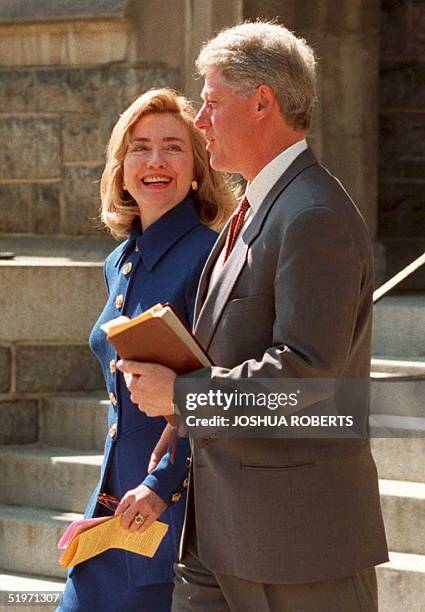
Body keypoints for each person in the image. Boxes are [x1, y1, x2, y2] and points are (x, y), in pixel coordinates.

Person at [117, 23, 389, 612]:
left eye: (212, 103)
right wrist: (178, 425)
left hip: (296, 549)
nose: (202, 122)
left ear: (262, 101)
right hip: (219, 537)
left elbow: (309, 378)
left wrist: (186, 396)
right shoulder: (254, 208)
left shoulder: (313, 213)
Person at [58, 88, 235, 612]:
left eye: (173, 148)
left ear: (198, 168)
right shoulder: (119, 261)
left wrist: (160, 484)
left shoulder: (210, 257)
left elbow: (217, 391)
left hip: (167, 513)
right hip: (116, 504)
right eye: (140, 148)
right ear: (121, 167)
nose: (155, 162)